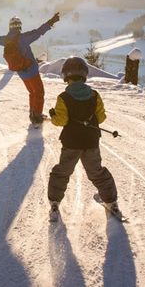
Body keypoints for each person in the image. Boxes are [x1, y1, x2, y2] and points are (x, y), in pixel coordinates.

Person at [46, 57, 122, 222]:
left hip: (71, 143)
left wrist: (53, 116)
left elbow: (61, 121)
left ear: (66, 75)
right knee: (96, 172)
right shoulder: (94, 95)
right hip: (90, 141)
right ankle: (111, 202)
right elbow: (101, 118)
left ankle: (54, 202)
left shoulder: (63, 97)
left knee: (62, 172)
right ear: (84, 75)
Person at [0, 13, 60, 124]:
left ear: (10, 27)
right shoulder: (24, 37)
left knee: (32, 92)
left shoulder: (5, 40)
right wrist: (52, 21)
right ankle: (37, 116)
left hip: (21, 73)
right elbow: (39, 31)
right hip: (32, 70)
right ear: (19, 26)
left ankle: (32, 113)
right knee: (39, 92)